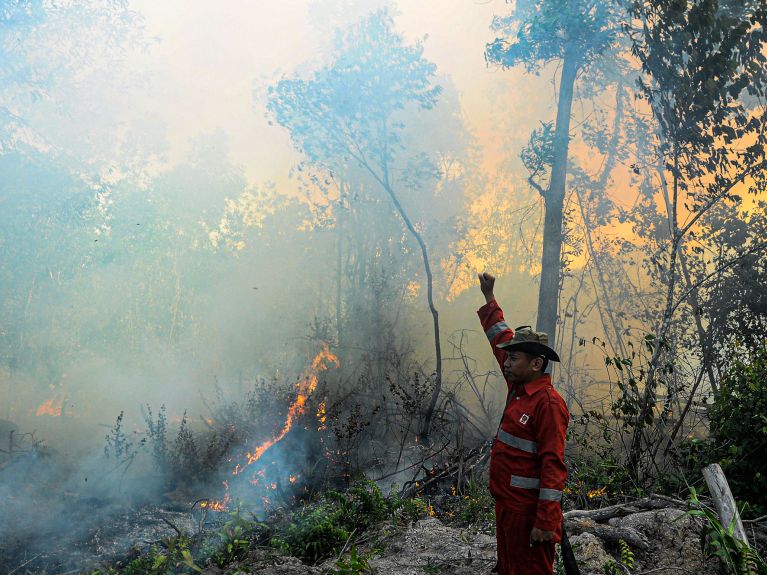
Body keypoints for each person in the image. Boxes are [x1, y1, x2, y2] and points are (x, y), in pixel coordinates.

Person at [477, 271, 569, 575]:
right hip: (506, 507)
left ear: (536, 364)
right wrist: (490, 299)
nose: (506, 363)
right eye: (508, 358)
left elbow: (553, 466)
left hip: (528, 514)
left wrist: (545, 522)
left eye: (513, 359)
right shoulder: (518, 387)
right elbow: (501, 339)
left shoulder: (548, 405)